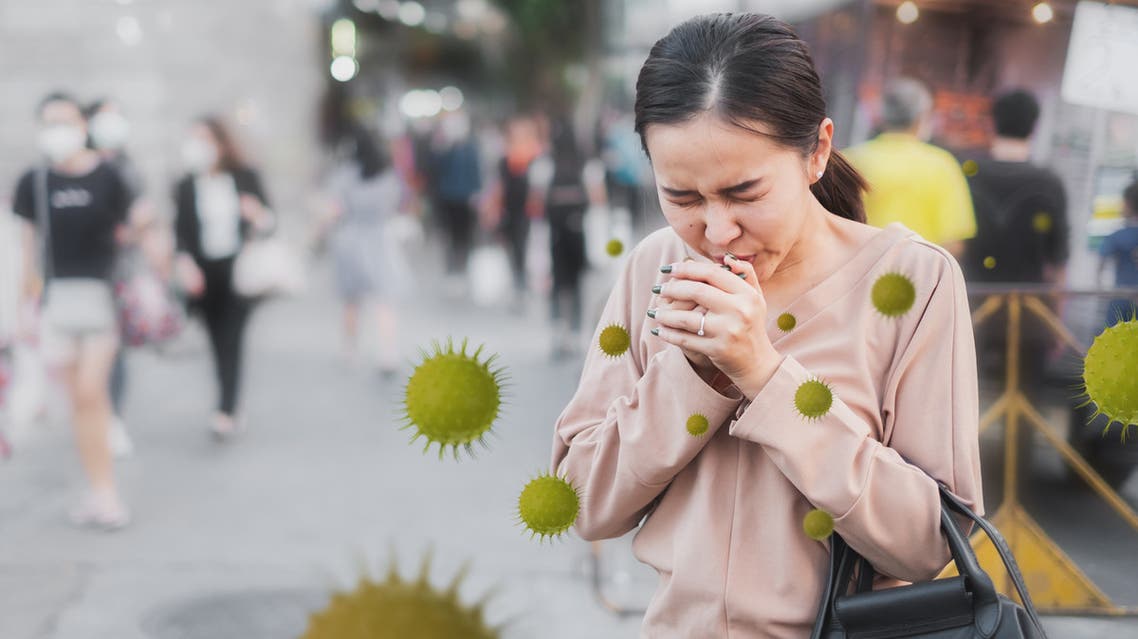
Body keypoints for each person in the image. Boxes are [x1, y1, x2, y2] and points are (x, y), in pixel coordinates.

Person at [549, 14, 982, 637]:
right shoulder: (655, 268)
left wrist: (764, 375)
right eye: (682, 198)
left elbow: (927, 542)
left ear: (818, 151)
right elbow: (583, 503)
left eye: (745, 192)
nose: (716, 231)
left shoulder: (914, 281)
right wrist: (693, 378)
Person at [12, 92, 135, 529]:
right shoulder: (34, 181)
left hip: (102, 299)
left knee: (89, 392)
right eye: (49, 123)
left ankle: (107, 493)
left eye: (64, 121)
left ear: (83, 125)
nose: (57, 131)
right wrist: (23, 305)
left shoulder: (110, 176)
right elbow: (28, 246)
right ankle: (98, 490)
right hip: (57, 301)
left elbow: (131, 231)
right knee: (78, 405)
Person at [961, 89, 1069, 400]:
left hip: (970, 304)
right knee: (1023, 403)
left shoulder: (967, 173)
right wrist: (1055, 322)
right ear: (1034, 126)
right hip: (1028, 309)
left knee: (960, 399)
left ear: (992, 122)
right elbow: (1058, 262)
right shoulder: (1049, 183)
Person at [173, 116, 274, 439]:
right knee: (216, 340)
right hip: (204, 273)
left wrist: (256, 214)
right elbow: (181, 231)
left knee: (232, 338)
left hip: (238, 269)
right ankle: (227, 400)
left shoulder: (244, 177)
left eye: (204, 139)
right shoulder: (185, 185)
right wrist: (185, 262)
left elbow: (270, 222)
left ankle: (227, 407)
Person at [846, 77, 976, 258]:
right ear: (922, 117)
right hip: (918, 273)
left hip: (858, 270)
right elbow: (953, 241)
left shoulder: (850, 160)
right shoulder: (942, 165)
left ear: (882, 115)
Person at [85, 98, 150, 458]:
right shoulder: (75, 167)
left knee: (114, 348)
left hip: (119, 272)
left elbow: (141, 217)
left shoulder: (127, 169)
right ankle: (93, 414)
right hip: (80, 273)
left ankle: (113, 417)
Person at [320, 127, 407, 373]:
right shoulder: (387, 174)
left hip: (350, 238)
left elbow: (335, 209)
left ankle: (350, 349)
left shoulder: (346, 175)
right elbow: (395, 203)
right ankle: (388, 352)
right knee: (385, 298)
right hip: (379, 238)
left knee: (351, 300)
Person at [531, 118, 606, 360]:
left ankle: (557, 330)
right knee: (577, 283)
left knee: (556, 282)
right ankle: (575, 332)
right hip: (580, 232)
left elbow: (536, 202)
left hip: (553, 234)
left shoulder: (544, 165)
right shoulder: (588, 165)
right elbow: (598, 199)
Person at [1099, 180, 1138, 326]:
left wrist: (1101, 289)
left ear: (1128, 204)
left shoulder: (1117, 236)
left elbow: (1100, 266)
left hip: (1120, 298)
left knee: (1114, 336)